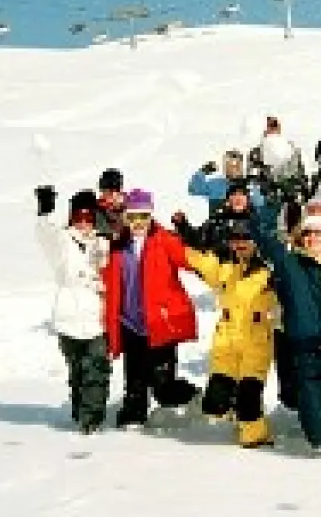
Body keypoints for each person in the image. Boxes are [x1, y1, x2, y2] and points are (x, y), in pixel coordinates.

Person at [249, 208, 321, 459]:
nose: (313, 238)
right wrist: (262, 205)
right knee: (319, 431)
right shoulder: (290, 265)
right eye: (308, 233)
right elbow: (263, 237)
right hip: (305, 351)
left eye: (320, 233)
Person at [103, 189, 201, 428]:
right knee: (135, 380)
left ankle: (194, 396)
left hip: (160, 322)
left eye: (143, 216)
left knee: (163, 386)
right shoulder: (116, 245)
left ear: (150, 216)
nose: (138, 222)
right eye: (133, 216)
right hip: (130, 324)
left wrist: (221, 273)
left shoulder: (164, 239)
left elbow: (192, 260)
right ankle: (133, 416)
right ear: (125, 217)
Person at [186, 213, 277, 448]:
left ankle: (255, 434)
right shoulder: (225, 267)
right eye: (235, 238)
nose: (240, 243)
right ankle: (233, 410)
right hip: (227, 339)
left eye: (246, 238)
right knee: (214, 404)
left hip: (256, 339)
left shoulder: (270, 270)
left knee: (248, 397)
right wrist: (186, 234)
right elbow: (198, 260)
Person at [34, 186, 111, 434]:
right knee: (77, 371)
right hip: (69, 317)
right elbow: (45, 235)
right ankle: (80, 411)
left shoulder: (103, 242)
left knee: (96, 370)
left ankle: (92, 419)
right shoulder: (63, 242)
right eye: (79, 218)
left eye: (89, 218)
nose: (84, 223)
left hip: (97, 318)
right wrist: (45, 211)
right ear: (71, 218)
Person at [188, 149, 263, 216]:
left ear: (241, 166)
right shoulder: (216, 184)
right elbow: (193, 189)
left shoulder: (250, 184)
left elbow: (260, 204)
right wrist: (203, 171)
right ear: (225, 167)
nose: (233, 169)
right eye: (230, 165)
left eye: (236, 165)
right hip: (219, 225)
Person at [96, 167, 126, 241]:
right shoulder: (96, 210)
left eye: (114, 190)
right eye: (105, 190)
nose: (110, 194)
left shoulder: (130, 206)